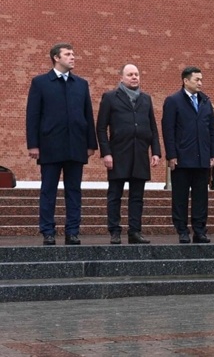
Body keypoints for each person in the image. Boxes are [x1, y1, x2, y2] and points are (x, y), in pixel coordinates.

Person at [26, 43, 98, 246]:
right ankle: (48, 231)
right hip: (50, 145)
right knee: (48, 190)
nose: (73, 57)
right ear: (56, 58)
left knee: (74, 190)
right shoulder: (40, 83)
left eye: (73, 54)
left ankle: (72, 231)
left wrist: (90, 143)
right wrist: (33, 144)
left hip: (76, 145)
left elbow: (88, 115)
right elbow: (33, 115)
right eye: (68, 54)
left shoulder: (81, 84)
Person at [96, 64, 161, 245]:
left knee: (137, 196)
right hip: (118, 155)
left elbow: (153, 128)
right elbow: (101, 128)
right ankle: (115, 231)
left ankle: (135, 231)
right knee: (115, 195)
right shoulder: (110, 98)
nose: (134, 77)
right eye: (130, 74)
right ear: (122, 78)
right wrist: (106, 153)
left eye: (137, 74)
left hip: (140, 154)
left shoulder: (146, 99)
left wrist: (155, 151)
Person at [162, 66, 214, 244]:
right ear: (186, 81)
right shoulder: (173, 101)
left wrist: (213, 153)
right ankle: (182, 230)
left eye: (201, 79)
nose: (200, 83)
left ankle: (199, 230)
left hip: (202, 159)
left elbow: (211, 130)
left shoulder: (205, 102)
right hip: (182, 159)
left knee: (201, 197)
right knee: (180, 197)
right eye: (197, 80)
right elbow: (168, 130)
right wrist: (171, 155)